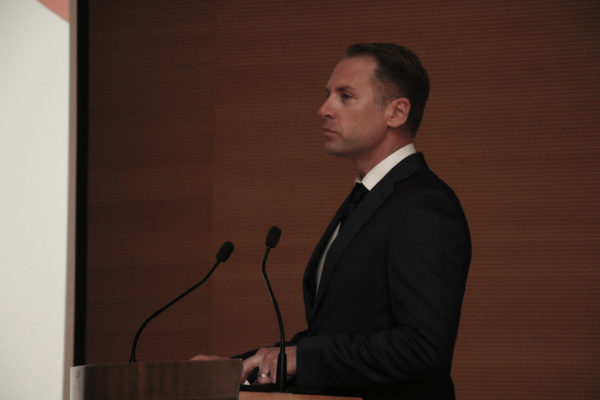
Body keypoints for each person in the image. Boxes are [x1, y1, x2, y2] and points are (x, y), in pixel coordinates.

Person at [194, 43, 471, 400]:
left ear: (397, 112)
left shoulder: (424, 204)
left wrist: (302, 359)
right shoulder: (368, 198)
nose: (324, 109)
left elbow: (422, 349)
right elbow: (336, 336)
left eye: (345, 96)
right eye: (327, 95)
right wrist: (237, 368)